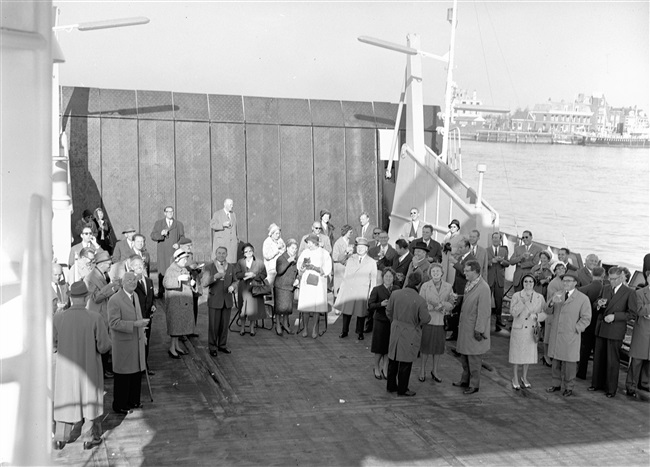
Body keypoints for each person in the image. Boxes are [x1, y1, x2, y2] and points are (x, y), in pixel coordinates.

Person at [53, 281, 111, 451]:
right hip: (89, 367)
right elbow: (104, 346)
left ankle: (60, 438)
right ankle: (89, 438)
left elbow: (53, 344)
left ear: (70, 297)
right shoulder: (95, 318)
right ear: (86, 298)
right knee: (89, 399)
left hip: (66, 368)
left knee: (66, 397)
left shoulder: (58, 317)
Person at [589, 266, 637, 398]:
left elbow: (632, 314)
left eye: (614, 279)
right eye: (610, 279)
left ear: (621, 277)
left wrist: (615, 317)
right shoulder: (605, 288)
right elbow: (595, 303)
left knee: (612, 360)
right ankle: (596, 383)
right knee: (598, 357)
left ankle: (610, 389)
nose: (611, 282)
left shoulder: (629, 292)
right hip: (602, 327)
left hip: (615, 330)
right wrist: (599, 304)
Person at [107, 272, 149, 414]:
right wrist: (135, 324)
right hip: (124, 343)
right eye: (129, 280)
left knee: (136, 373)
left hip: (136, 340)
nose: (133, 282)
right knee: (124, 375)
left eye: (135, 280)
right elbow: (114, 323)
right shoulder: (115, 299)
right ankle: (120, 404)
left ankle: (133, 400)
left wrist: (142, 333)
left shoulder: (135, 296)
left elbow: (138, 315)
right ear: (123, 282)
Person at [545, 271, 591, 397]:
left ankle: (569, 386)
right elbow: (547, 310)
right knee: (556, 362)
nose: (565, 283)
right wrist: (551, 303)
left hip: (570, 335)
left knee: (570, 363)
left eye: (568, 281)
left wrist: (576, 328)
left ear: (575, 283)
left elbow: (586, 318)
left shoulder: (583, 298)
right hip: (557, 333)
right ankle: (556, 383)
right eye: (564, 281)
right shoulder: (557, 294)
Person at [386, 272, 431, 396]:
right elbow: (426, 318)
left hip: (395, 328)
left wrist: (395, 321)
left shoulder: (395, 294)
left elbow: (388, 311)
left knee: (393, 359)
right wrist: (417, 324)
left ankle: (390, 386)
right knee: (405, 362)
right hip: (411, 331)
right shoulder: (420, 300)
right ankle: (402, 389)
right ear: (419, 283)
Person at [453, 260, 491, 395]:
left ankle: (474, 385)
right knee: (464, 357)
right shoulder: (469, 284)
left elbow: (484, 311)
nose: (464, 273)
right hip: (466, 328)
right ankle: (465, 380)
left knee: (474, 359)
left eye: (467, 270)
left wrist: (479, 330)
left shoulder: (484, 288)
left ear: (475, 271)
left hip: (474, 329)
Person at [85, 250, 120, 377]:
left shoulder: (103, 275)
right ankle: (101, 370)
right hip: (97, 314)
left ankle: (104, 368)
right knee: (100, 342)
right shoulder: (91, 277)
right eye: (108, 264)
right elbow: (95, 297)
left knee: (105, 341)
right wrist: (112, 287)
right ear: (100, 264)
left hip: (104, 314)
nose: (110, 266)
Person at [508, 273, 547, 389]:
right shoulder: (516, 296)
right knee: (516, 355)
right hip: (519, 329)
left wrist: (537, 316)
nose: (528, 284)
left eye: (530, 281)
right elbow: (513, 313)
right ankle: (515, 377)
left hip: (531, 329)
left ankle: (524, 377)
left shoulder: (540, 297)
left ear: (534, 283)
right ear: (522, 283)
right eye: (526, 281)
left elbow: (545, 313)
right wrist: (522, 302)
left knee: (527, 356)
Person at [418, 263, 455, 383]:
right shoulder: (425, 286)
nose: (435, 274)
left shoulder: (448, 286)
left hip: (441, 321)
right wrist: (430, 307)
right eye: (433, 271)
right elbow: (420, 303)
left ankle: (435, 370)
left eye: (437, 271)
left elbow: (452, 303)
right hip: (428, 320)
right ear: (430, 273)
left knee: (438, 348)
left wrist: (443, 305)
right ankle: (422, 370)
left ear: (442, 273)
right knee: (425, 347)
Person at [335, 237, 377, 340]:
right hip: (349, 289)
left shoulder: (371, 262)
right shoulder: (351, 257)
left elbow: (373, 279)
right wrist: (346, 252)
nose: (360, 249)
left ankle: (360, 332)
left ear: (367, 249)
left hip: (362, 290)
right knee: (346, 312)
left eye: (362, 247)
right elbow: (340, 259)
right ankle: (344, 331)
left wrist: (372, 293)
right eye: (358, 247)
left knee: (361, 313)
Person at [201, 246, 237, 356]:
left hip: (227, 300)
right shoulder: (209, 267)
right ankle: (212, 346)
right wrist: (214, 277)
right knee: (213, 325)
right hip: (215, 300)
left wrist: (233, 287)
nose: (221, 255)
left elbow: (236, 281)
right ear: (215, 254)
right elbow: (204, 283)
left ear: (226, 255)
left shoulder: (231, 267)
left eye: (223, 253)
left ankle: (222, 345)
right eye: (219, 253)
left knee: (224, 325)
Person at [296, 234, 332, 338]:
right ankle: (306, 328)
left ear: (315, 243)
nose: (308, 245)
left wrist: (314, 268)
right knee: (306, 306)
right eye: (307, 243)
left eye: (310, 243)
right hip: (307, 281)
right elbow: (299, 265)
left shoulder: (324, 253)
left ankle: (315, 328)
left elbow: (327, 269)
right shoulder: (305, 252)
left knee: (316, 306)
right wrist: (303, 266)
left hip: (318, 282)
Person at [163, 249, 195, 357]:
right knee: (175, 326)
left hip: (182, 303)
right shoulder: (171, 270)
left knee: (179, 326)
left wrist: (192, 284)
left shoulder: (184, 269)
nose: (186, 261)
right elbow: (166, 283)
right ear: (177, 259)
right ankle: (172, 348)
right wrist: (178, 279)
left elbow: (187, 284)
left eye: (186, 259)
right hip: (175, 303)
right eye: (184, 259)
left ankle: (176, 346)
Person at [576, 266, 606, 380]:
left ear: (592, 274)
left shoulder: (583, 289)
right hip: (599, 324)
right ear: (603, 275)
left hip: (586, 323)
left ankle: (581, 372)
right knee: (598, 351)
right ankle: (597, 376)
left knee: (584, 350)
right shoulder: (605, 289)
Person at [130, 256, 156, 375]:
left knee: (147, 342)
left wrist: (153, 305)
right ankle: (136, 367)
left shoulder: (149, 281)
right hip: (136, 318)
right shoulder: (131, 282)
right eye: (136, 265)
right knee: (136, 342)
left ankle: (145, 365)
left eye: (141, 265)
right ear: (131, 268)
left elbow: (151, 297)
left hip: (147, 317)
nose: (139, 267)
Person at [151, 206, 185, 298]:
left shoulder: (179, 224)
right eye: (168, 211)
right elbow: (153, 236)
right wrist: (161, 234)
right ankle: (161, 291)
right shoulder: (158, 223)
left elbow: (182, 237)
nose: (170, 213)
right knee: (162, 271)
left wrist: (178, 244)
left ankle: (174, 289)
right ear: (164, 213)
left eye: (172, 211)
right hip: (162, 252)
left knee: (174, 270)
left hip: (174, 252)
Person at [369, 268, 397, 380]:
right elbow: (370, 305)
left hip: (392, 321)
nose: (388, 279)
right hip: (380, 321)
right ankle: (376, 367)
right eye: (386, 276)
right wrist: (381, 304)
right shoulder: (377, 289)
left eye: (390, 277)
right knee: (379, 346)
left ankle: (385, 368)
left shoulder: (397, 289)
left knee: (388, 347)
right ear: (383, 277)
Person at [235, 243, 268, 336]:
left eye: (250, 251)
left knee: (252, 308)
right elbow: (237, 274)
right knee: (242, 308)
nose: (248, 253)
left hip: (254, 287)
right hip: (243, 287)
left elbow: (264, 274)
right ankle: (242, 328)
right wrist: (245, 274)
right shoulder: (240, 262)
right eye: (246, 251)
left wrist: (255, 276)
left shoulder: (259, 262)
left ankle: (252, 328)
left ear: (253, 251)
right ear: (243, 253)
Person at [626, 270, 650, 396]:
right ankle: (631, 385)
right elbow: (640, 311)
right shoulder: (639, 293)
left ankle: (645, 383)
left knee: (648, 361)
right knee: (637, 360)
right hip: (642, 331)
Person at [446, 239, 475, 341]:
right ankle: (454, 332)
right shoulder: (460, 257)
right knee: (456, 310)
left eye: (461, 247)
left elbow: (467, 273)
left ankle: (458, 334)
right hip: (457, 287)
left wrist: (455, 263)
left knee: (460, 311)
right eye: (459, 247)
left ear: (467, 247)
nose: (459, 249)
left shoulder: (471, 259)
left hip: (464, 289)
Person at [542, 263, 567, 367]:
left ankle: (553, 355)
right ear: (555, 271)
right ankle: (546, 356)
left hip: (561, 312)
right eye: (558, 269)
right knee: (548, 335)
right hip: (552, 311)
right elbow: (553, 298)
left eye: (562, 268)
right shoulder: (553, 283)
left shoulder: (565, 281)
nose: (561, 270)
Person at [273, 239, 299, 336]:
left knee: (287, 309)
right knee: (279, 309)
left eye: (296, 248)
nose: (294, 250)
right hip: (281, 286)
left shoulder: (295, 258)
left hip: (290, 287)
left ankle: (285, 324)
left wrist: (297, 279)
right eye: (292, 248)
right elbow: (279, 270)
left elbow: (297, 271)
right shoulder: (281, 258)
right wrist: (289, 261)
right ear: (287, 248)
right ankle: (278, 326)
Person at [487, 232, 510, 332]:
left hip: (499, 279)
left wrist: (501, 261)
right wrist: (491, 261)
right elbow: (483, 263)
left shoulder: (503, 250)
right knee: (487, 300)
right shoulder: (486, 250)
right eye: (494, 238)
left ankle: (498, 320)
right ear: (492, 239)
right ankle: (486, 320)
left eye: (497, 238)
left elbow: (507, 263)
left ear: (500, 240)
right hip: (489, 278)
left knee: (499, 301)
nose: (496, 239)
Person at [211, 198, 239, 264]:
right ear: (224, 204)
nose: (231, 206)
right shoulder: (217, 214)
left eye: (232, 204)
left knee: (231, 263)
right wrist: (222, 225)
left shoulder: (233, 214)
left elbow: (235, 228)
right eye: (230, 205)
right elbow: (212, 225)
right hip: (221, 243)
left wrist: (236, 240)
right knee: (221, 262)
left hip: (232, 245)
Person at [332, 225, 354, 297]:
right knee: (339, 292)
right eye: (350, 232)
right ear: (345, 232)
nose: (351, 234)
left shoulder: (349, 242)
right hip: (340, 270)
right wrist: (345, 252)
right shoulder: (338, 243)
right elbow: (335, 257)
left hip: (347, 269)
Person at [441, 219, 463, 284]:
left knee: (451, 278)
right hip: (445, 258)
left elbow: (460, 249)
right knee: (443, 275)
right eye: (451, 227)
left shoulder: (460, 237)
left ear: (457, 228)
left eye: (454, 227)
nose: (452, 228)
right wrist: (443, 246)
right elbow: (442, 244)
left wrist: (451, 249)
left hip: (453, 259)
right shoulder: (447, 236)